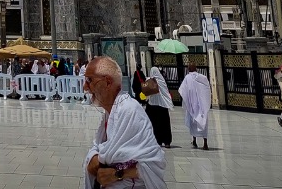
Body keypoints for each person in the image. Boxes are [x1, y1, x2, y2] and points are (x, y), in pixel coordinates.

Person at [81, 56, 166, 188]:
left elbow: (154, 162)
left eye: (89, 80)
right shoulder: (110, 112)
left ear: (108, 82)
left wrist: (118, 174)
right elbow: (97, 152)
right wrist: (94, 158)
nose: (85, 87)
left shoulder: (129, 110)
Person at [179, 66, 212, 150]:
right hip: (202, 105)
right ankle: (205, 143)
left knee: (193, 122)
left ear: (188, 69)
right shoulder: (202, 77)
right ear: (196, 69)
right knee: (203, 123)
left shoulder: (187, 78)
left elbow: (182, 90)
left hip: (192, 105)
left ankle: (194, 140)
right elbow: (207, 88)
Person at [142, 65, 174, 147]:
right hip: (163, 106)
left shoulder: (149, 81)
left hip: (153, 106)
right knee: (165, 123)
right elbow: (166, 93)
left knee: (155, 124)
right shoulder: (161, 81)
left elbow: (147, 94)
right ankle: (167, 141)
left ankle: (158, 140)